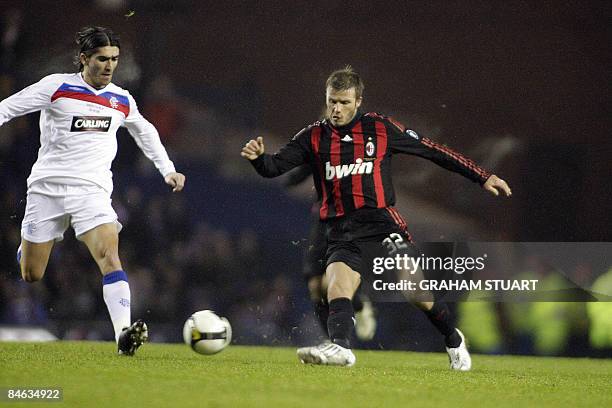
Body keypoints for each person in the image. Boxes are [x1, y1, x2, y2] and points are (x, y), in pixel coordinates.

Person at [241, 66, 511, 369]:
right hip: (341, 229)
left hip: (383, 225)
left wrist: (482, 176)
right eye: (332, 101)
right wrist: (258, 159)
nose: (336, 109)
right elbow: (274, 168)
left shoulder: (381, 129)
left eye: (344, 102)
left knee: (415, 291)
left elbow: (432, 151)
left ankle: (452, 338)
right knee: (336, 288)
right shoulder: (313, 136)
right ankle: (341, 347)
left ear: (358, 101)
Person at [0, 26, 185, 355]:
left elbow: (145, 132)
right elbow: (9, 108)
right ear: (84, 59)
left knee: (110, 258)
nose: (109, 65)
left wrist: (168, 169)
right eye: (102, 58)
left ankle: (123, 336)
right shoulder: (57, 87)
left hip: (93, 192)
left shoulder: (121, 99)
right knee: (31, 274)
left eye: (114, 59)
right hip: (48, 189)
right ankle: (25, 250)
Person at [285, 165, 376, 342]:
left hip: (352, 220)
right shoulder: (321, 144)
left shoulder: (363, 148)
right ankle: (332, 340)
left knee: (332, 280)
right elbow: (300, 172)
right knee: (315, 285)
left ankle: (356, 307)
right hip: (323, 219)